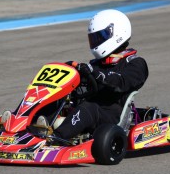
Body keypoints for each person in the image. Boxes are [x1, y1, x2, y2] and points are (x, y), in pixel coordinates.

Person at [54, 9, 149, 140]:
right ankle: (27, 130)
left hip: (111, 115)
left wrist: (97, 74)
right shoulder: (96, 64)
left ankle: (56, 139)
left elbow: (121, 82)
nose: (96, 41)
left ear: (117, 33)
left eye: (100, 37)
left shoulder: (135, 63)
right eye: (94, 38)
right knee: (56, 101)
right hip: (87, 109)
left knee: (88, 108)